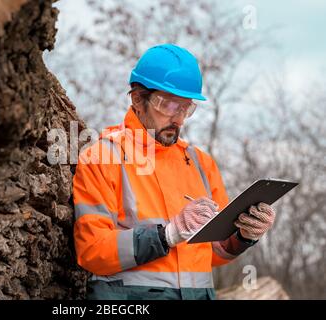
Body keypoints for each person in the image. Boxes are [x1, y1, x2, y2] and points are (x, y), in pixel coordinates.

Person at [72, 44, 276, 300]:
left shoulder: (202, 164)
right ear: (137, 99)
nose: (178, 118)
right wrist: (167, 235)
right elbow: (92, 251)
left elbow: (214, 251)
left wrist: (244, 235)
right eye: (168, 105)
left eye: (185, 108)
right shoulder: (101, 158)